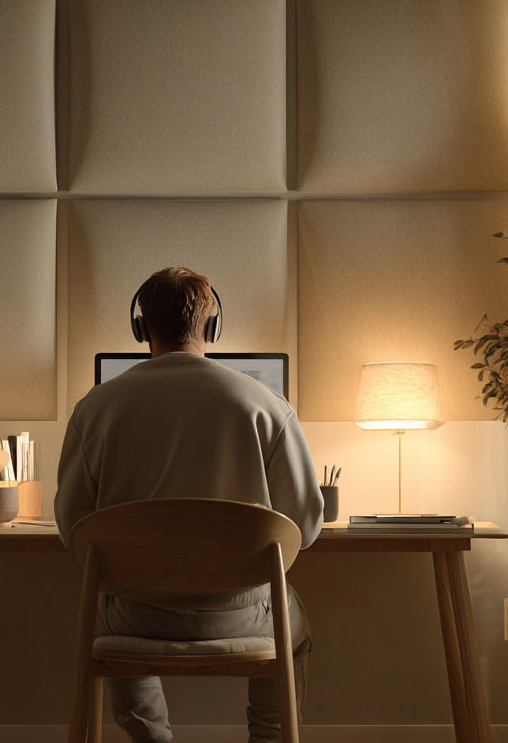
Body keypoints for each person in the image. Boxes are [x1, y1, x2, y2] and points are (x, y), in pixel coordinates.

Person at [55, 266, 324, 743]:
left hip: (132, 615)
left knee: (100, 600)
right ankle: (268, 738)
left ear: (141, 328)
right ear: (213, 326)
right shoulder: (266, 403)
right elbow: (303, 525)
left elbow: (74, 528)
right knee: (292, 617)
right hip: (241, 613)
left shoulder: (95, 407)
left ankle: (152, 738)